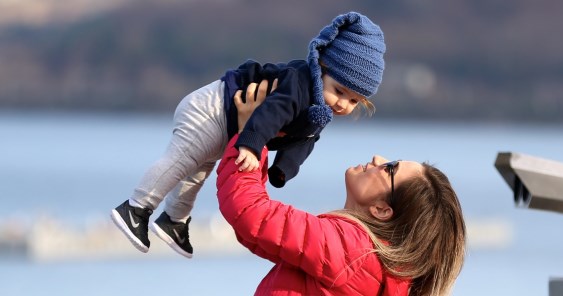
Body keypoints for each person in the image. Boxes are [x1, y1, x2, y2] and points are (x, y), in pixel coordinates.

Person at [110, 11, 387, 258]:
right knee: (182, 160)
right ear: (322, 69)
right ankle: (136, 208)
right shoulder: (299, 83)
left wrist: (282, 169)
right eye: (339, 92)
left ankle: (174, 221)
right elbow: (271, 111)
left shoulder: (320, 109)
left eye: (353, 101)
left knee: (197, 173)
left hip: (229, 126)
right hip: (213, 109)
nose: (342, 104)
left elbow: (305, 140)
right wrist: (252, 145)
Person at [214, 89, 467, 295]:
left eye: (389, 169)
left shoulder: (352, 251)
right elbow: (260, 234)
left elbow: (249, 213)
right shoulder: (375, 269)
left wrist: (251, 135)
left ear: (382, 210)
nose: (378, 158)